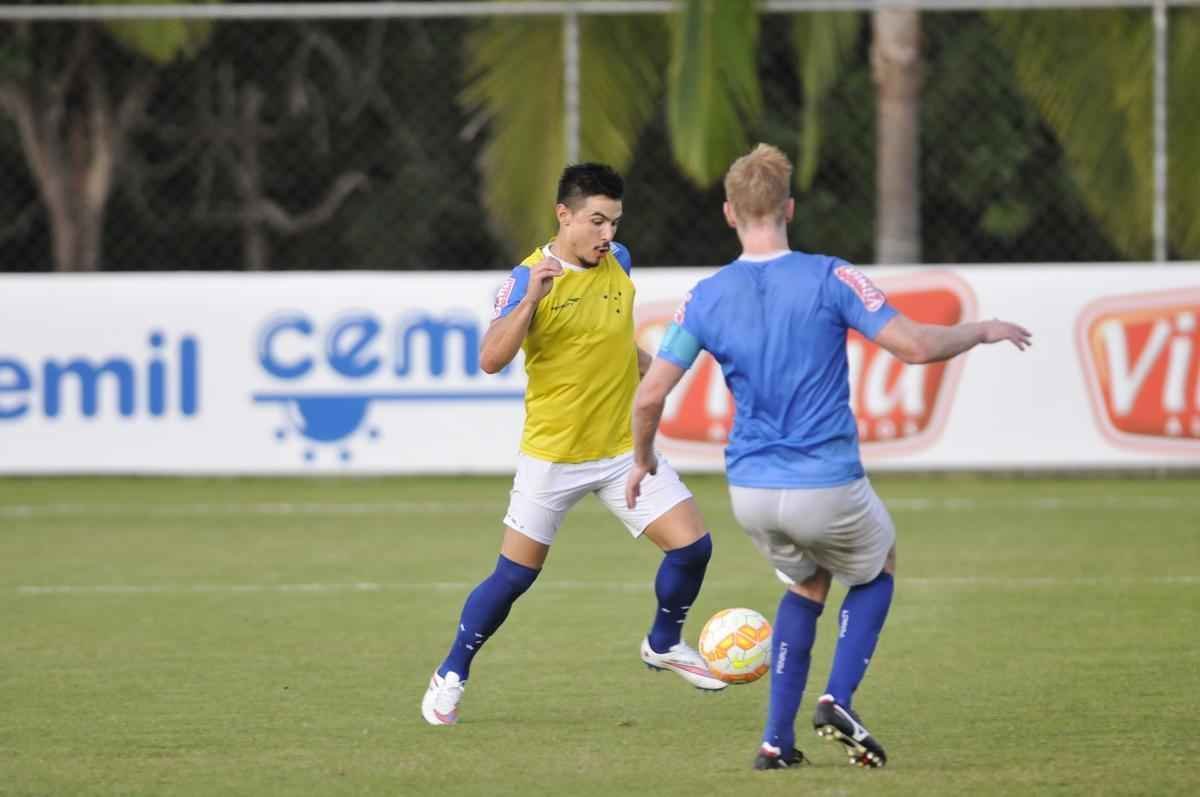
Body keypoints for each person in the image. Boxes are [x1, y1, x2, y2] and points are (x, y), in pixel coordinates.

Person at [625, 143, 1031, 769]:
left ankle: (774, 742)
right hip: (825, 479)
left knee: (808, 582)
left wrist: (640, 460)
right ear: (788, 207)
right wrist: (981, 330)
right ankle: (837, 698)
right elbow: (916, 347)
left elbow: (650, 394)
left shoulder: (705, 296)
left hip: (751, 491)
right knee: (876, 566)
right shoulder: (830, 276)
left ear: (730, 213)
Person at [422, 163, 726, 727]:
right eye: (596, 221)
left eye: (613, 221)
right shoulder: (526, 278)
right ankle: (451, 672)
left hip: (618, 453)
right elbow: (490, 360)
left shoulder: (620, 263)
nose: (606, 234)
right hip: (553, 456)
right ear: (564, 216)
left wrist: (655, 376)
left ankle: (663, 642)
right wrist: (531, 301)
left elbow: (614, 344)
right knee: (513, 577)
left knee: (692, 548)